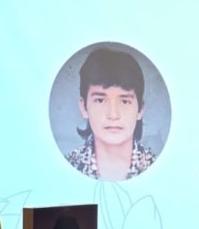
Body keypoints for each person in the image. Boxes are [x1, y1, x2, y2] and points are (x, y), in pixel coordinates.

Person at [65, 47, 157, 181]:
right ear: (84, 108)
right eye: (100, 100)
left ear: (140, 110)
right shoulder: (66, 168)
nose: (113, 115)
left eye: (125, 101)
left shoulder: (158, 169)